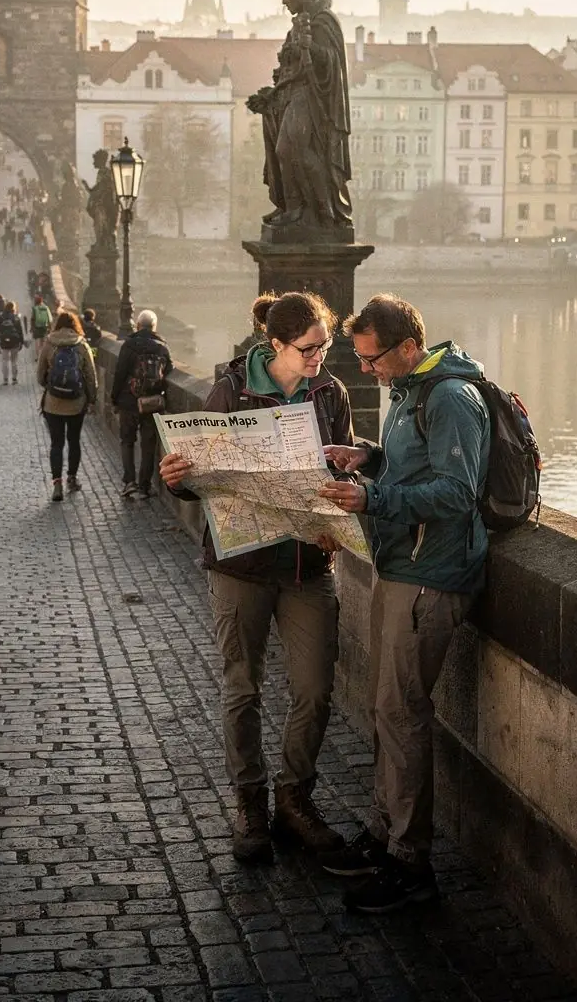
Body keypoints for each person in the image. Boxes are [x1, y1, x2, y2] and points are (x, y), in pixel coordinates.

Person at [159, 292, 351, 865]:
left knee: (314, 690)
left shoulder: (331, 393)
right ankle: (249, 804)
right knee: (242, 688)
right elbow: (196, 477)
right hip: (240, 563)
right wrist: (175, 478)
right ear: (276, 346)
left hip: (306, 563)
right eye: (309, 348)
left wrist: (338, 502)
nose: (319, 357)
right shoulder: (232, 390)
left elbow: (338, 464)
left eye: (325, 346)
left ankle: (294, 799)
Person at [318, 293, 490, 913]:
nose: (368, 370)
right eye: (360, 360)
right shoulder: (413, 391)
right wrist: (372, 458)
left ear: (409, 347)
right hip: (404, 564)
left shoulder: (450, 397)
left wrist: (373, 500)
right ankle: (385, 832)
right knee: (387, 707)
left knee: (403, 712)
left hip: (431, 574)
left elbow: (456, 491)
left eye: (373, 359)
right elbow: (416, 467)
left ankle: (411, 865)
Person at [36, 311, 97, 501]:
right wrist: (91, 399)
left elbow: (39, 375)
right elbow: (91, 376)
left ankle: (57, 485)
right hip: (76, 404)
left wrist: (52, 387)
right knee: (74, 440)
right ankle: (72, 477)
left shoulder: (49, 343)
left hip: (53, 404)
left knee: (56, 443)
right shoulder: (81, 345)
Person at [112, 310, 171, 501]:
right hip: (151, 403)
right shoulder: (162, 346)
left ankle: (130, 482)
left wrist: (114, 398)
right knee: (148, 445)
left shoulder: (129, 345)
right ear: (154, 327)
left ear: (138, 325)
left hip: (129, 401)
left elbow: (119, 374)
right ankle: (145, 485)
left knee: (127, 441)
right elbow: (169, 371)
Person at [0, 299, 25, 384]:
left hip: (4, 342)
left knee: (5, 360)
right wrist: (21, 342)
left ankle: (5, 379)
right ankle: (14, 378)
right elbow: (20, 331)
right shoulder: (16, 317)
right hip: (15, 342)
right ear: (14, 308)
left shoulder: (1, 317)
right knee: (14, 361)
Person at [30, 294, 53, 359]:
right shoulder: (46, 307)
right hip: (44, 327)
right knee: (43, 343)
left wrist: (31, 327)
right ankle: (43, 357)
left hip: (37, 327)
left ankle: (38, 357)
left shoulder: (34, 308)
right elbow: (50, 319)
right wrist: (50, 327)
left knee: (37, 343)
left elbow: (32, 318)